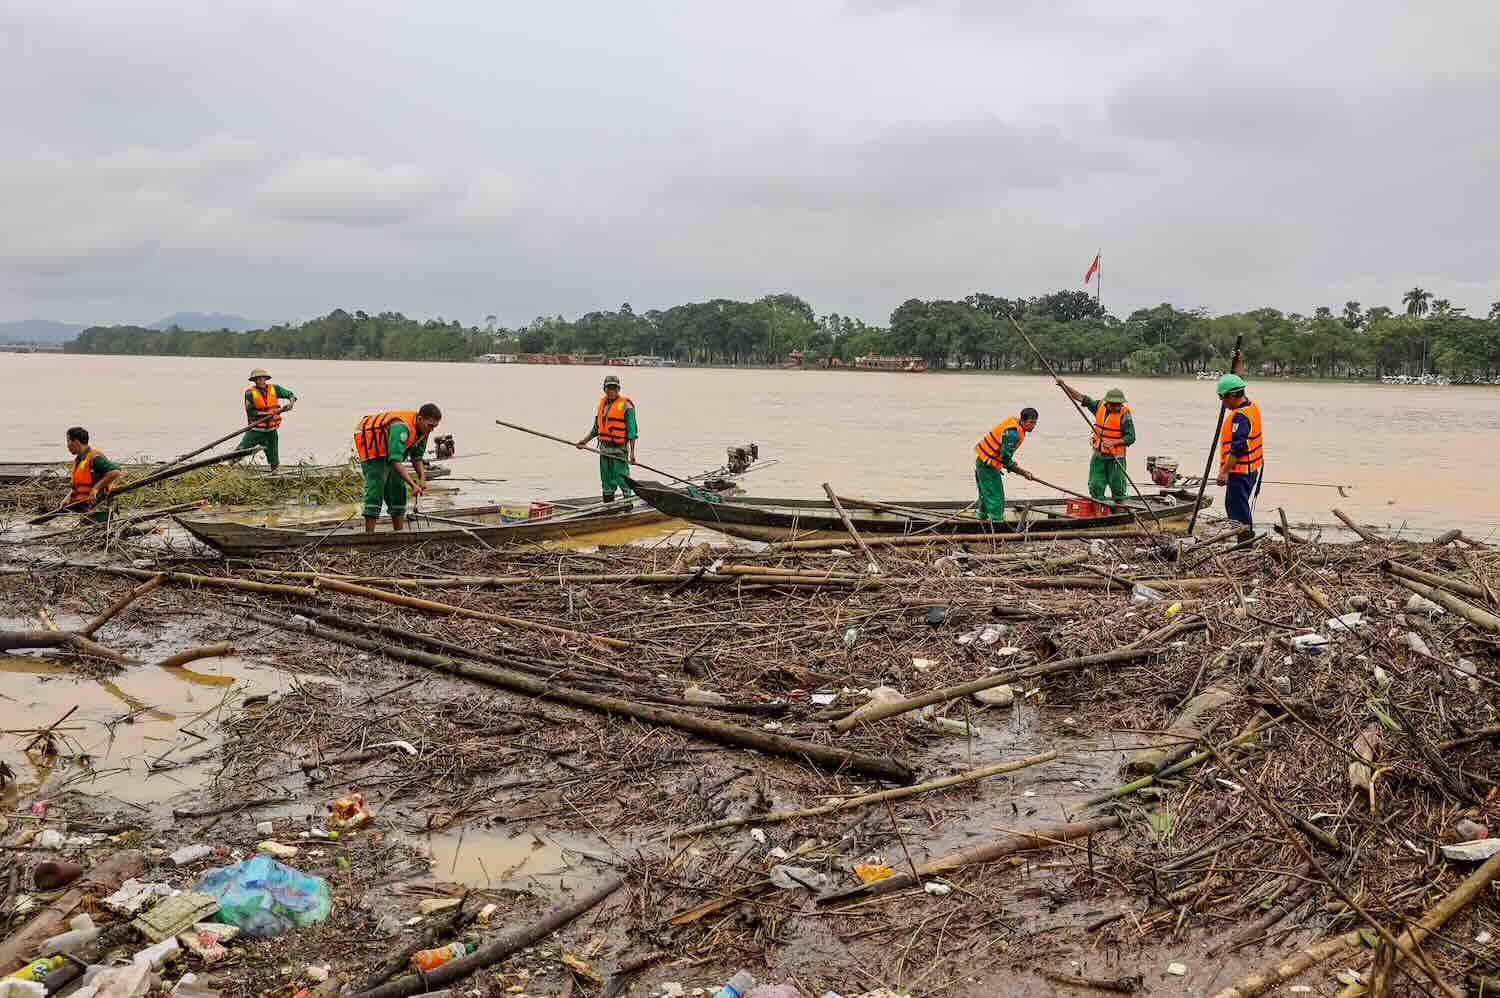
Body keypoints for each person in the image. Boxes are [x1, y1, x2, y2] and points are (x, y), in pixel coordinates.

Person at [352, 404, 442, 533]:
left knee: (398, 487)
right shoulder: (401, 427)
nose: (432, 430)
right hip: (374, 448)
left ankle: (398, 533)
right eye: (430, 426)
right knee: (376, 487)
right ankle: (369, 535)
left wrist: (422, 478)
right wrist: (412, 484)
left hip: (391, 451)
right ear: (420, 419)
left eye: (435, 427)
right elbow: (394, 460)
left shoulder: (424, 431)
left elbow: (417, 458)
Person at [1057, 381, 1135, 503]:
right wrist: (1064, 386)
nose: (1116, 407)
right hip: (1099, 456)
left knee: (1118, 486)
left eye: (1119, 404)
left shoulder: (1125, 415)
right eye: (1113, 404)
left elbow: (1131, 437)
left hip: (1116, 458)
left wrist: (1113, 442)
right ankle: (1099, 510)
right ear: (1107, 403)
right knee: (1095, 485)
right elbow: (1081, 398)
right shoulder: (1099, 406)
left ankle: (1121, 511)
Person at [576, 374, 637, 502]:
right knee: (606, 480)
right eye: (609, 388)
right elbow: (596, 429)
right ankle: (608, 507)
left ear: (618, 389)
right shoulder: (602, 405)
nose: (611, 391)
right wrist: (584, 441)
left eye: (614, 388)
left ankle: (628, 506)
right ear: (604, 389)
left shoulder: (627, 406)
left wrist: (632, 454)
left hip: (619, 452)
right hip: (604, 451)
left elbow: (632, 432)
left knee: (623, 479)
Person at [1215, 374, 1264, 528]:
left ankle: (1245, 543)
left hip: (1240, 472)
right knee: (1239, 508)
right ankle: (1245, 540)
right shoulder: (1252, 406)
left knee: (1237, 512)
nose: (1222, 402)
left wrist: (1224, 472)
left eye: (1222, 397)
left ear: (1231, 395)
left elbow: (1237, 449)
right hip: (1251, 470)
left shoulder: (1240, 417)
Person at [973, 408, 1038, 520]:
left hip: (984, 461)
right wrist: (1024, 473)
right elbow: (1005, 459)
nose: (1033, 426)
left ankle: (981, 517)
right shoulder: (1013, 434)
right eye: (1031, 422)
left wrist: (1011, 465)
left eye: (1035, 422)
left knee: (986, 492)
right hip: (987, 464)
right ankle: (996, 521)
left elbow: (1004, 457)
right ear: (1022, 421)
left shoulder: (1014, 423)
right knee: (996, 496)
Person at [239, 368, 297, 472]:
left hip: (271, 430)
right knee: (241, 450)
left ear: (266, 379)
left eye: (263, 378)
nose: (261, 381)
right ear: (254, 380)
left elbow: (290, 394)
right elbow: (251, 412)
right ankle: (228, 467)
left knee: (274, 455)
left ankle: (274, 473)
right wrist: (268, 413)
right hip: (256, 430)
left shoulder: (275, 388)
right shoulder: (249, 393)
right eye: (258, 379)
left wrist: (291, 403)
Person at [63, 427, 123, 524]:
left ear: (76, 442)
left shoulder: (95, 458)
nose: (67, 445)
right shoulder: (80, 459)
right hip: (86, 509)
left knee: (100, 536)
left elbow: (115, 472)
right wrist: (68, 497)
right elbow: (79, 485)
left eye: (68, 441)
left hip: (100, 510)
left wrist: (96, 488)